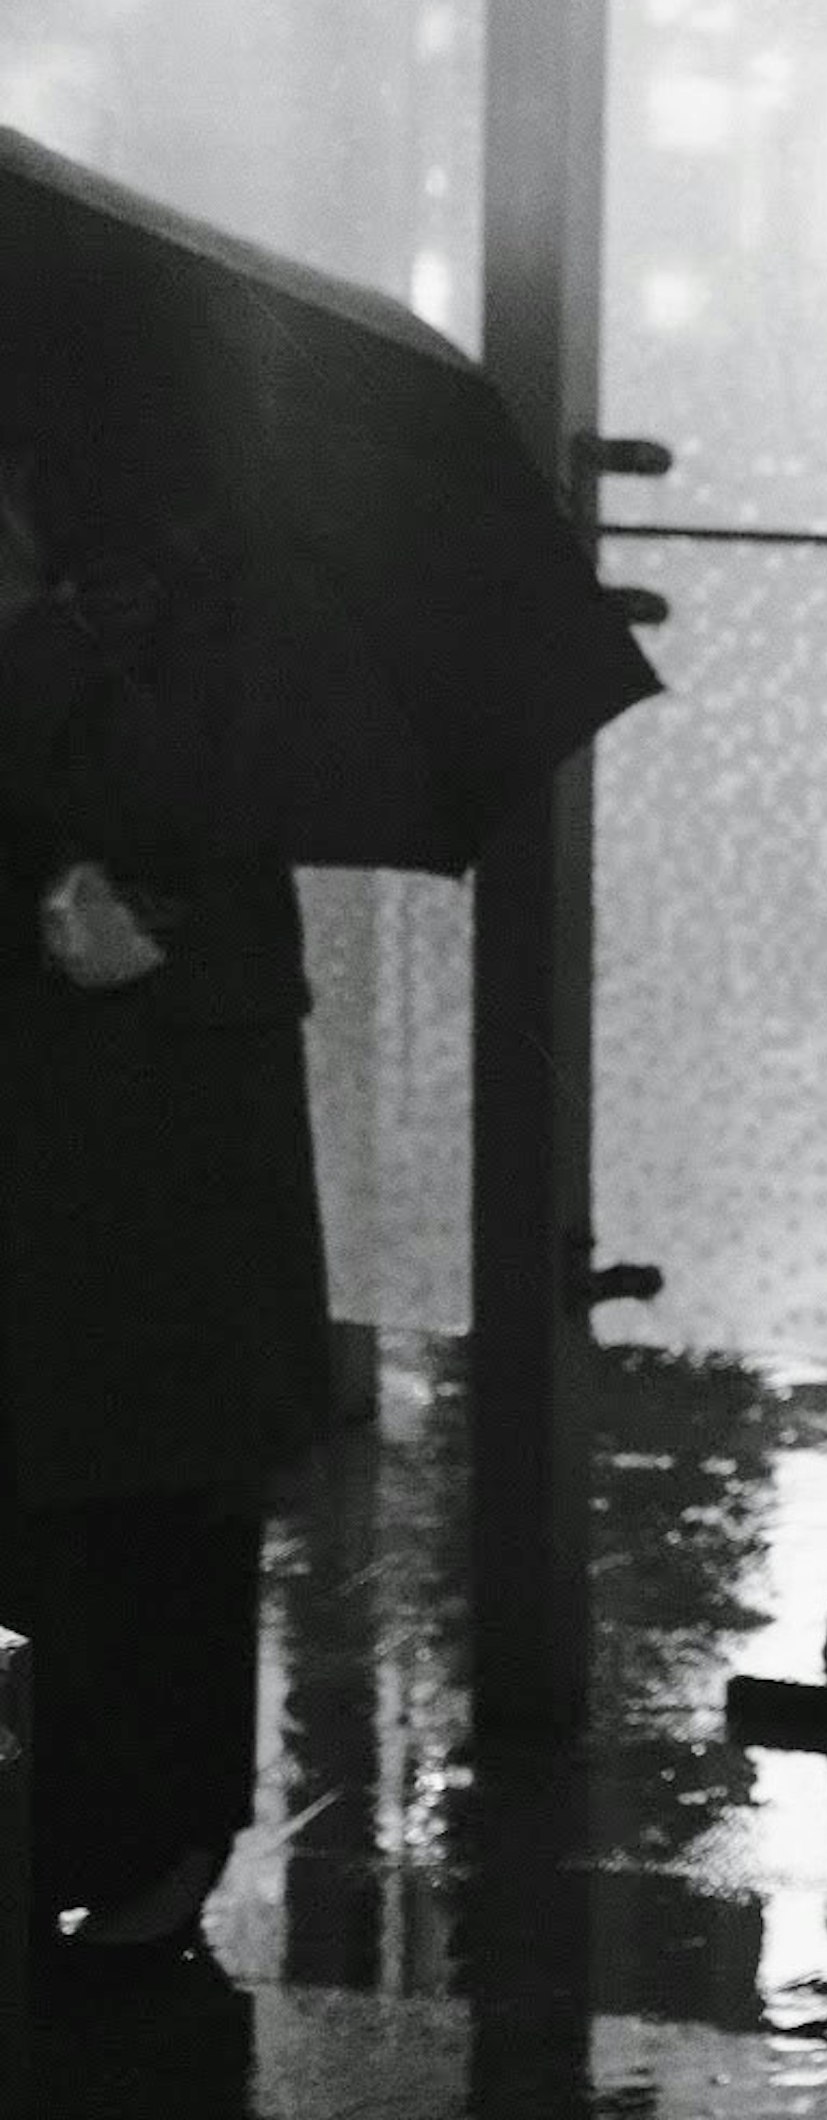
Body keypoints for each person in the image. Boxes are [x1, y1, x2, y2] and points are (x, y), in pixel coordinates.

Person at [0, 446, 334, 1974]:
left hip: (150, 1122)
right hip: (73, 1097)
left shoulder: (198, 566)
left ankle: (152, 1841)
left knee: (142, 1486)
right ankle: (91, 1827)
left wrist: (40, 633)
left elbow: (197, 792)